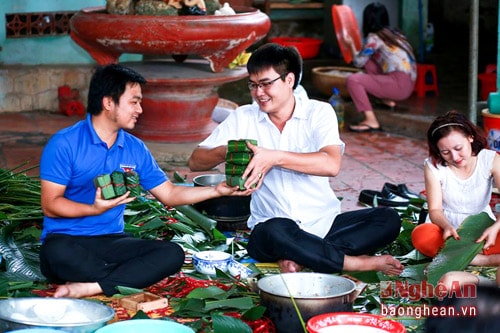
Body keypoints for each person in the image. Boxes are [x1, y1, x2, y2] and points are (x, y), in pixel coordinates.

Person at [188, 42, 404, 276]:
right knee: (274, 231)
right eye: (253, 85)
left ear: (289, 80)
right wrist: (228, 151)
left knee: (388, 219)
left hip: (325, 224)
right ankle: (353, 263)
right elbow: (196, 162)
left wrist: (274, 158)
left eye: (266, 84)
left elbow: (331, 164)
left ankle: (299, 255)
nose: (258, 93)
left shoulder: (319, 112)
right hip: (272, 227)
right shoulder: (244, 117)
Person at [39, 64, 252, 299]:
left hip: (111, 242)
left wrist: (217, 190)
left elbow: (169, 194)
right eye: (134, 101)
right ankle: (125, 277)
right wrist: (93, 208)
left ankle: (93, 286)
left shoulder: (134, 148)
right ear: (108, 102)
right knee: (56, 254)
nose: (140, 109)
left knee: (172, 254)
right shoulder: (64, 144)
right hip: (68, 242)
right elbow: (51, 204)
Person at [411, 110, 500, 267]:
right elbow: (435, 210)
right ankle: (483, 260)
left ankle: (455, 256)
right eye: (445, 152)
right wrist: (446, 227)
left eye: (459, 148)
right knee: (421, 235)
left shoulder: (490, 159)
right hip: (447, 227)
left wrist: (495, 227)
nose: (455, 157)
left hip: (481, 226)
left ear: (470, 137)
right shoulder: (433, 166)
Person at [345, 2, 416, 132]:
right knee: (370, 61)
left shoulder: (375, 37)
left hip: (398, 85)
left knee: (353, 80)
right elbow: (366, 61)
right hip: (408, 85)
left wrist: (350, 45)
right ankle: (387, 100)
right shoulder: (396, 33)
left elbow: (358, 62)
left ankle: (371, 120)